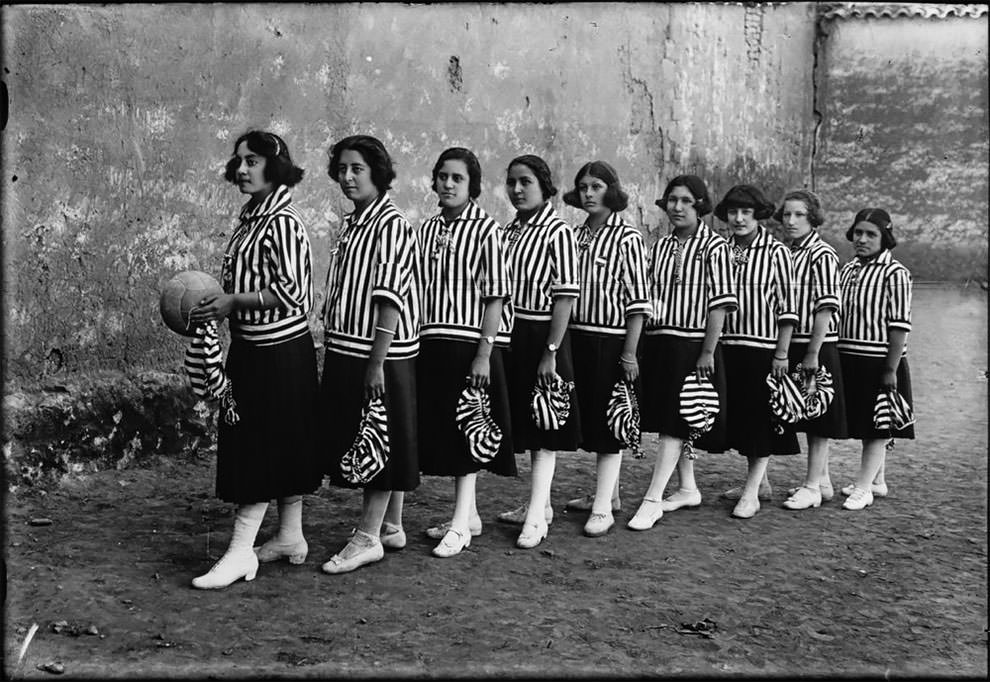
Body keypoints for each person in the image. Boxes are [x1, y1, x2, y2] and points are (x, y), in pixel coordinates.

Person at [189, 130, 322, 589]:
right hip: (255, 350)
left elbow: (293, 293)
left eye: (253, 161)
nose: (241, 169)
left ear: (275, 166)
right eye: (239, 161)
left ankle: (239, 553)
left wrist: (231, 303)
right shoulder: (252, 217)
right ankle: (289, 536)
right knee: (278, 444)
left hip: (279, 353)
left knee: (259, 448)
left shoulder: (283, 221)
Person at [319, 134, 422, 572]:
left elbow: (390, 298)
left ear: (377, 173)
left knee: (375, 440)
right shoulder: (353, 222)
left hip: (379, 352)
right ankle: (392, 525)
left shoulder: (390, 224)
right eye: (342, 169)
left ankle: (367, 538)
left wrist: (377, 362)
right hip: (348, 347)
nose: (347, 177)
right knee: (374, 435)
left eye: (357, 169)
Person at [417, 147, 516, 558]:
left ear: (472, 185)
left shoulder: (487, 230)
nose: (448, 184)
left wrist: (482, 354)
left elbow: (495, 298)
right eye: (442, 176)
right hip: (431, 342)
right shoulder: (424, 230)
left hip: (469, 344)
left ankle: (461, 524)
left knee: (465, 434)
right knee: (440, 429)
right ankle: (468, 514)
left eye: (457, 178)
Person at [630, 175, 737, 531]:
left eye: (686, 202)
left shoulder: (715, 247)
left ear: (701, 206)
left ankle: (652, 499)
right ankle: (688, 487)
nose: (677, 208)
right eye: (672, 200)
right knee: (666, 419)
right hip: (660, 342)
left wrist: (708, 352)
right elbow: (647, 295)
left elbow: (720, 306)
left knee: (677, 422)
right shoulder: (658, 247)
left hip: (692, 345)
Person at [560, 161, 650, 536]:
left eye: (597, 186)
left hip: (610, 341)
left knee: (609, 423)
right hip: (576, 337)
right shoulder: (575, 236)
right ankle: (606, 495)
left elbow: (639, 303)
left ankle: (603, 509)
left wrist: (628, 353)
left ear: (611, 191)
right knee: (587, 418)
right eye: (583, 187)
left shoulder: (627, 238)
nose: (589, 193)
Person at [496, 154, 581, 549]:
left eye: (525, 181)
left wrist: (551, 350)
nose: (517, 190)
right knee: (525, 425)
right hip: (512, 335)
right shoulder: (509, 231)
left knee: (545, 427)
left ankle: (536, 517)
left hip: (544, 336)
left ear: (543, 185)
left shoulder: (558, 232)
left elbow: (564, 298)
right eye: (512, 182)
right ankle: (539, 504)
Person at [715, 184, 800, 519]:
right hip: (727, 346)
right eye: (733, 213)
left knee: (759, 420)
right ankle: (758, 483)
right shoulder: (720, 248)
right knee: (739, 418)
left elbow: (788, 309)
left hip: (761, 348)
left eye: (746, 213)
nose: (738, 219)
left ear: (758, 215)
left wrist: (781, 354)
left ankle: (751, 492)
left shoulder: (776, 252)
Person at [775, 190, 849, 510]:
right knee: (798, 409)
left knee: (818, 417)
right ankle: (824, 481)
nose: (790, 221)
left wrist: (813, 353)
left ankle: (811, 487)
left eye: (799, 215)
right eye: (786, 215)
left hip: (814, 344)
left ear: (812, 218)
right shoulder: (786, 252)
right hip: (792, 342)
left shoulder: (822, 254)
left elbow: (825, 307)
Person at [837, 208, 914, 510]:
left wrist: (890, 369)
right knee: (865, 422)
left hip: (878, 361)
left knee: (876, 428)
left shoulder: (896, 274)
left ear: (885, 238)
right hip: (850, 357)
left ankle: (864, 488)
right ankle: (878, 480)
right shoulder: (848, 269)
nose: (862, 239)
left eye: (871, 234)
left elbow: (899, 327)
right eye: (858, 233)